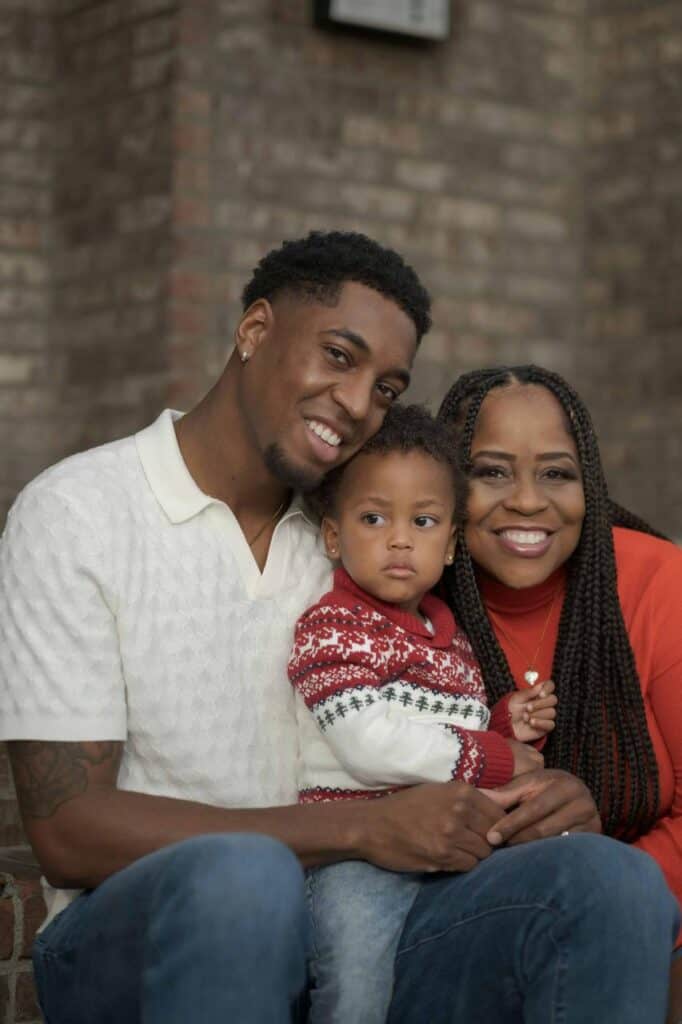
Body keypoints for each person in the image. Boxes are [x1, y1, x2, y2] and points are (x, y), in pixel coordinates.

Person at [0, 231, 676, 1024]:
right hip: (139, 927)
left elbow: (451, 687)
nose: (358, 403)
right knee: (241, 879)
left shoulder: (362, 534)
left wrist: (538, 793)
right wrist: (360, 827)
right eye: (338, 356)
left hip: (359, 913)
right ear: (254, 331)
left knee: (609, 880)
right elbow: (67, 831)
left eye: (387, 387)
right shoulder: (79, 511)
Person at [289, 402, 554, 1023]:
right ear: (333, 535)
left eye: (425, 520)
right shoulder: (333, 627)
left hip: (448, 851)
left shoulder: (448, 636)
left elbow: (441, 734)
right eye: (374, 517)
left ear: (452, 544)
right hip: (355, 856)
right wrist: (490, 756)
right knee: (356, 987)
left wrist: (501, 722)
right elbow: (370, 744)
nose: (401, 538)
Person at [436, 364, 682, 936]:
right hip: (463, 933)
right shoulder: (406, 596)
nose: (527, 501)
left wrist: (600, 892)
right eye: (491, 472)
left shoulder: (656, 582)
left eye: (556, 473)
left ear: (588, 486)